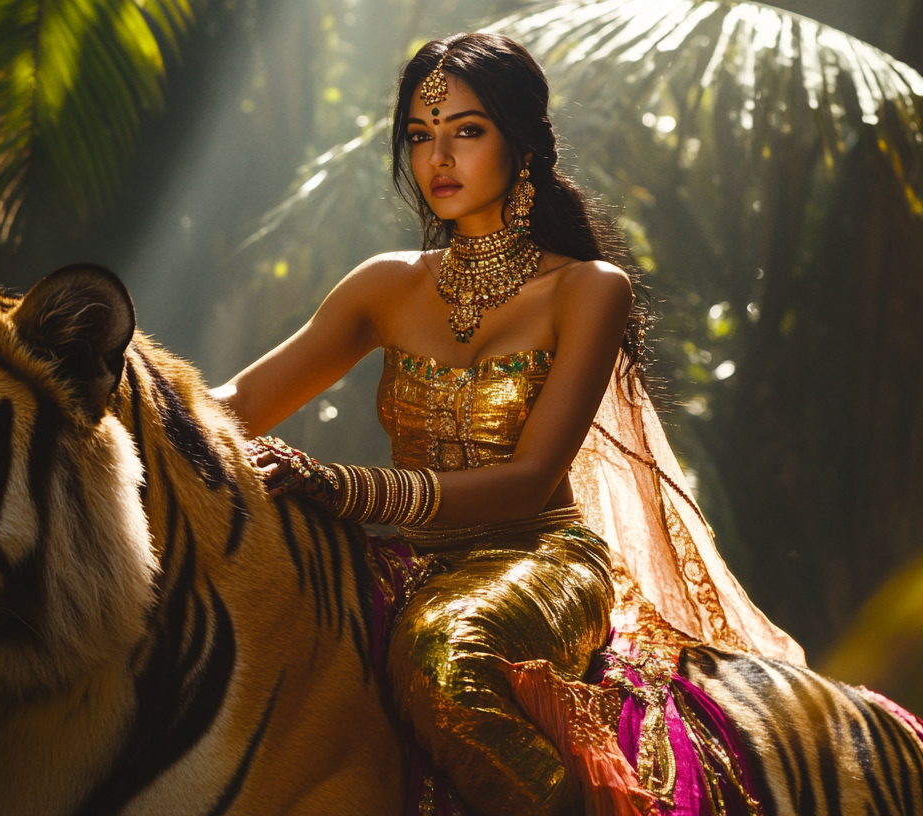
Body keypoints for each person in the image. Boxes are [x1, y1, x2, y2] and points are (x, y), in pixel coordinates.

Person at [215, 33, 800, 816]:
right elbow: (239, 401)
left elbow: (528, 481)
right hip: (404, 562)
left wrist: (344, 485)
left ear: (521, 143)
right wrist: (107, 383)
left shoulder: (589, 291)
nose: (437, 159)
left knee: (443, 657)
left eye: (466, 130)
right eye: (420, 136)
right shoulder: (383, 286)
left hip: (543, 559)